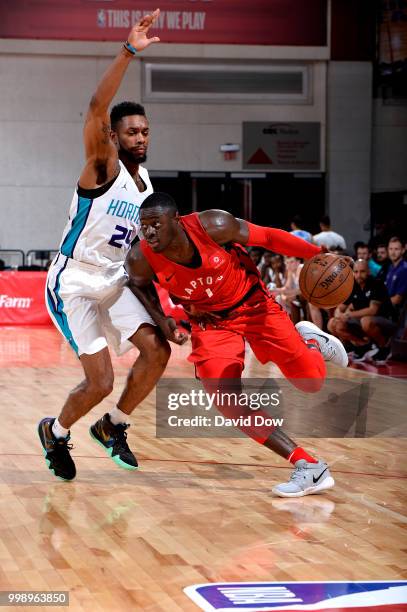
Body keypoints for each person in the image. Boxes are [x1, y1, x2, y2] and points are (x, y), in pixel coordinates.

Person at [126, 192, 349, 498]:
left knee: (311, 382)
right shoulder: (140, 257)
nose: (149, 232)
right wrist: (161, 318)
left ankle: (309, 340)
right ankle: (308, 466)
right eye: (144, 226)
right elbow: (137, 284)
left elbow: (268, 237)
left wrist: (318, 253)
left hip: (254, 307)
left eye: (156, 224)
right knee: (225, 397)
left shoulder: (214, 225)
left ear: (175, 221)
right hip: (211, 324)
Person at [38, 10, 173, 482]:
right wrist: (128, 50)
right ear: (114, 137)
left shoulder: (145, 184)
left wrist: (164, 312)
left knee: (158, 350)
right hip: (74, 280)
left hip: (113, 279)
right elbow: (96, 108)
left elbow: (142, 257)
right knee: (100, 381)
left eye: (145, 130)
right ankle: (56, 430)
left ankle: (113, 426)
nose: (141, 137)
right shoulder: (102, 167)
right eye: (132, 131)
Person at [327, 259, 396, 363]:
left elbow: (372, 310)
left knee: (366, 321)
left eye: (362, 271)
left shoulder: (377, 284)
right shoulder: (352, 285)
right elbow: (340, 308)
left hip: (386, 320)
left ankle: (384, 347)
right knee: (332, 323)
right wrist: (339, 315)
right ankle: (363, 346)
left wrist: (349, 314)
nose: (359, 275)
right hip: (361, 320)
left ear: (368, 272)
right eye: (356, 272)